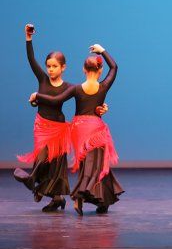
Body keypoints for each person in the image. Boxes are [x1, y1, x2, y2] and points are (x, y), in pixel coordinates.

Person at [14, 24, 107, 212]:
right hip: (41, 126)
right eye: (48, 66)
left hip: (58, 128)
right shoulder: (42, 79)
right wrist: (28, 39)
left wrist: (100, 109)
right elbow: (31, 60)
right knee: (43, 161)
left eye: (54, 66)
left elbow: (86, 100)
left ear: (63, 67)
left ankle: (35, 183)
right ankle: (56, 198)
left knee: (55, 165)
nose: (50, 69)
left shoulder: (68, 87)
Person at [31, 44, 123, 215]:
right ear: (100, 70)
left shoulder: (76, 88)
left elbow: (55, 100)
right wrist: (102, 50)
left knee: (85, 165)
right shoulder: (103, 87)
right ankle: (90, 197)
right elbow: (115, 67)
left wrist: (38, 96)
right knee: (98, 165)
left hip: (79, 129)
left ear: (83, 69)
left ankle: (87, 198)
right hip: (95, 128)